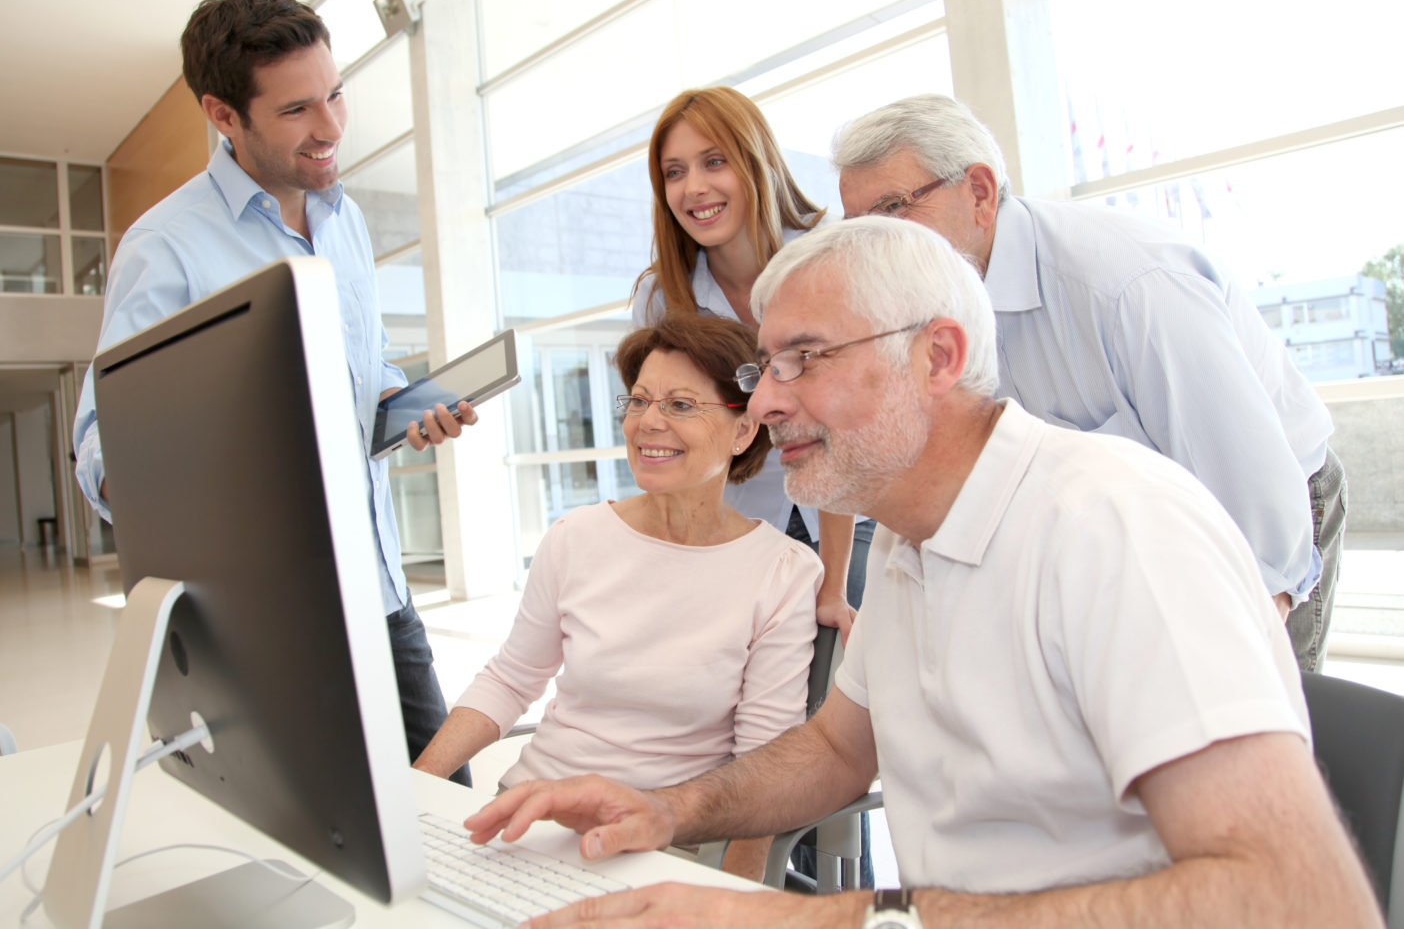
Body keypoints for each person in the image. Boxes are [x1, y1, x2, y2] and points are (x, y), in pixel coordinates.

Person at [460, 218, 1381, 929]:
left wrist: (820, 917)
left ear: (937, 357)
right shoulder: (906, 539)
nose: (769, 399)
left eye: (805, 359)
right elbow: (834, 750)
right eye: (764, 364)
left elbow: (1299, 900)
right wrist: (668, 810)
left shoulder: (1113, 523)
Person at [70, 0, 472, 782]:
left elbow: (365, 370)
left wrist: (402, 407)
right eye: (296, 110)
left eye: (335, 95)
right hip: (273, 624)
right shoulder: (167, 248)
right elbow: (102, 449)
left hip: (381, 592)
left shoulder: (342, 218)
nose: (330, 128)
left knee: (450, 815)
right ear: (224, 116)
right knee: (323, 840)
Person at [832, 94, 1344, 672]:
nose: (877, 245)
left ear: (979, 192)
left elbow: (1255, 503)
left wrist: (1241, 668)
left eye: (893, 209)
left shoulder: (1130, 284)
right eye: (860, 227)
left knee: (1261, 722)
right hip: (1125, 525)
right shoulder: (930, 308)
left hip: (1264, 507)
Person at [414, 312, 820, 881]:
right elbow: (510, 679)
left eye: (680, 405)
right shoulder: (576, 536)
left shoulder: (782, 572)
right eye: (637, 401)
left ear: (742, 430)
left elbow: (763, 763)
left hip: (656, 844)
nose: (647, 423)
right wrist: (415, 787)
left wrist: (740, 898)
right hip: (529, 811)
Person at [630, 87, 870, 643]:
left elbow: (845, 426)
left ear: (755, 160)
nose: (694, 188)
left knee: (853, 697)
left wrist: (832, 584)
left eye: (714, 161)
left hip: (847, 518)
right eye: (674, 172)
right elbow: (663, 436)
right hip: (735, 526)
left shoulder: (828, 259)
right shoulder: (663, 299)